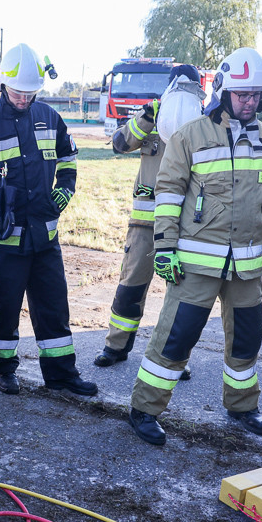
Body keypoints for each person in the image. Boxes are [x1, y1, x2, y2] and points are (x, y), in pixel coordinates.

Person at [127, 47, 262, 446]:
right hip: (194, 265)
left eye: (258, 95)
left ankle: (242, 406)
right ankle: (144, 410)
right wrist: (166, 248)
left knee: (246, 339)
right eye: (244, 94)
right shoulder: (191, 136)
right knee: (175, 338)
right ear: (224, 91)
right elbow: (168, 194)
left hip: (246, 267)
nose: (251, 101)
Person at [0, 43, 98, 397]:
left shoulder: (49, 116)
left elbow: (68, 155)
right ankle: (3, 369)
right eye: (18, 93)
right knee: (5, 309)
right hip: (2, 242)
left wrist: (66, 188)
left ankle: (61, 375)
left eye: (30, 93)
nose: (24, 99)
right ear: (3, 84)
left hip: (44, 238)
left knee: (54, 307)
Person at [93, 65, 204, 378]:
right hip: (145, 226)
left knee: (181, 297)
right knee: (130, 287)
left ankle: (173, 359)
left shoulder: (205, 122)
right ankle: (115, 348)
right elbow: (119, 144)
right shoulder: (150, 116)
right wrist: (146, 119)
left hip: (185, 227)